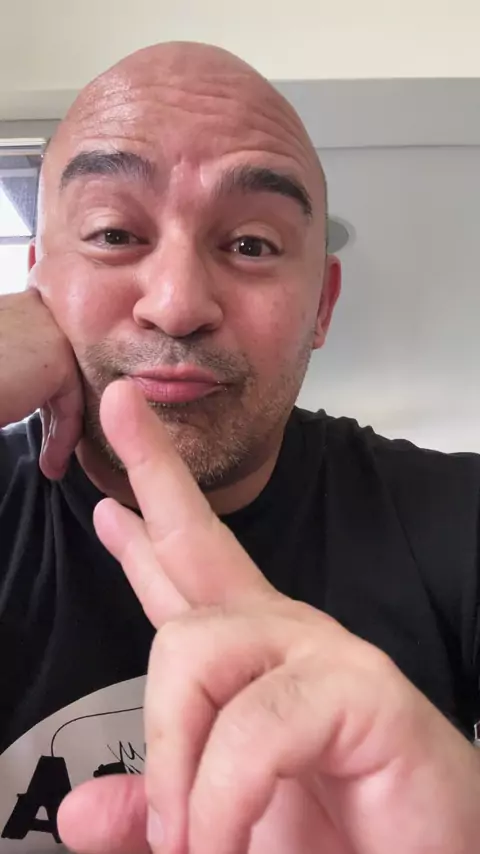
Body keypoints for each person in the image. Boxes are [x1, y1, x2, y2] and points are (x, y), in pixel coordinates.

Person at [0, 39, 478, 854]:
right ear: (37, 279)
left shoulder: (457, 518)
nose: (178, 304)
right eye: (113, 233)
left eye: (252, 244)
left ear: (321, 307)